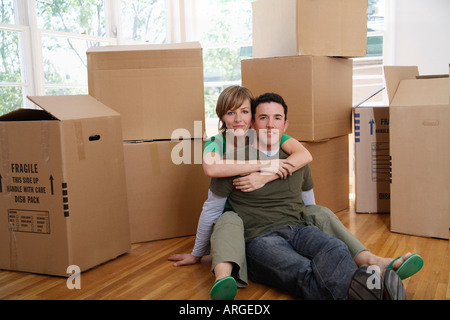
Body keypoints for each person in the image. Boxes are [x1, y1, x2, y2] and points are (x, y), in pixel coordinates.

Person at [169, 87, 423, 299]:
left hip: (297, 228)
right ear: (254, 125)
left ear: (284, 124)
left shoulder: (294, 157)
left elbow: (308, 199)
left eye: (276, 118)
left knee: (334, 248)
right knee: (300, 269)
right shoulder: (226, 158)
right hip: (254, 235)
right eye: (262, 118)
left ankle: (368, 282)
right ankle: (368, 291)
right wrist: (198, 252)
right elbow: (212, 202)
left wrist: (269, 177)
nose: (240, 119)